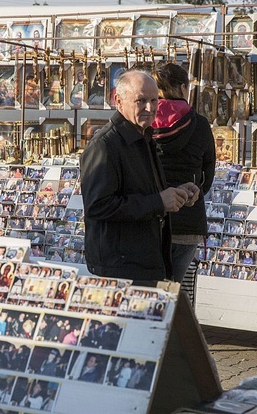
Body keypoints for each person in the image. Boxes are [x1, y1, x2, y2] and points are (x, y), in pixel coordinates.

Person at [81, 70, 199, 284]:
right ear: (118, 100)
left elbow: (140, 187)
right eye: (141, 100)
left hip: (144, 260)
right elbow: (97, 205)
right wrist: (158, 201)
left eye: (154, 100)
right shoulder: (105, 146)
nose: (150, 108)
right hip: (121, 268)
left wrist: (177, 191)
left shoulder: (143, 137)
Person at [152, 63, 215, 283]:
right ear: (182, 88)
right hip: (188, 220)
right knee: (175, 289)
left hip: (152, 219)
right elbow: (207, 175)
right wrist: (192, 193)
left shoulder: (144, 123)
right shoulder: (200, 125)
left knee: (150, 289)